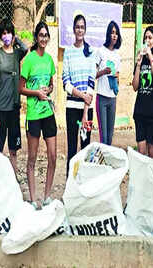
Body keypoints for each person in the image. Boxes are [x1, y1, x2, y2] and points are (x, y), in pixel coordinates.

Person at [19, 22, 57, 209]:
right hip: (33, 115)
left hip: (48, 113)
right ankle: (34, 199)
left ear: (48, 38)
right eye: (40, 35)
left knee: (52, 156)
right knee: (32, 158)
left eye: (46, 35)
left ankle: (47, 195)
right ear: (36, 38)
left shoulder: (49, 60)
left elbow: (51, 85)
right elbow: (21, 88)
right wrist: (36, 93)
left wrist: (48, 91)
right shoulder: (29, 60)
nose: (43, 38)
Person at [62, 14, 96, 178]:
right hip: (71, 108)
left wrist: (85, 113)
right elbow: (65, 83)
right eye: (77, 27)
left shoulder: (90, 52)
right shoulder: (68, 52)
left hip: (86, 111)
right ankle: (70, 186)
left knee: (85, 147)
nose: (80, 30)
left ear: (85, 30)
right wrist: (81, 95)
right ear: (74, 29)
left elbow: (91, 82)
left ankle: (83, 185)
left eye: (82, 27)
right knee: (71, 148)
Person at [0, 18, 27, 175]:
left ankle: (14, 178)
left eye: (8, 33)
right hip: (1, 108)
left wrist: (16, 38)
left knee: (14, 147)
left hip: (14, 107)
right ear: (0, 36)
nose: (6, 36)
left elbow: (25, 48)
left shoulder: (17, 53)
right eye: (3, 33)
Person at [132, 25, 153, 158]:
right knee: (141, 153)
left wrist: (151, 58)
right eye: (145, 37)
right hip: (140, 112)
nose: (147, 40)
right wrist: (139, 64)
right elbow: (135, 86)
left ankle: (151, 179)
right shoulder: (140, 59)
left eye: (150, 38)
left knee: (152, 153)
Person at [95, 21, 122, 145]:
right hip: (102, 97)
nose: (114, 36)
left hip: (112, 98)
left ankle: (107, 163)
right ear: (108, 35)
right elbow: (93, 75)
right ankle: (102, 163)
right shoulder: (100, 51)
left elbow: (117, 76)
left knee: (110, 137)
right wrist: (104, 71)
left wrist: (116, 77)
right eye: (112, 33)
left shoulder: (117, 55)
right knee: (103, 137)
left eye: (116, 33)